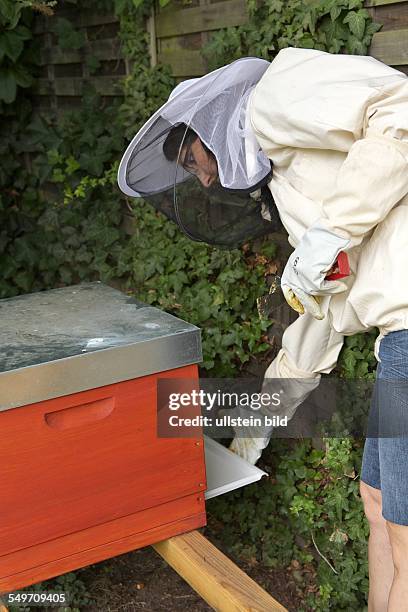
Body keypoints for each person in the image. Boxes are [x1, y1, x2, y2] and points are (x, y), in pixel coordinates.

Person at [118, 47, 408, 611]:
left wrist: (332, 230)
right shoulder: (288, 178)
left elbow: (400, 107)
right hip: (397, 336)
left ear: (211, 127)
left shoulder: (276, 95)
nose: (202, 178)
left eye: (193, 159)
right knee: (377, 504)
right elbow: (324, 317)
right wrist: (256, 427)